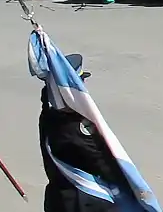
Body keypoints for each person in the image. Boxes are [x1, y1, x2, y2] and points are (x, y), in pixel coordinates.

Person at [39, 53, 130, 212]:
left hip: (57, 198)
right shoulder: (77, 126)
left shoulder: (48, 115)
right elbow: (103, 164)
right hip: (85, 202)